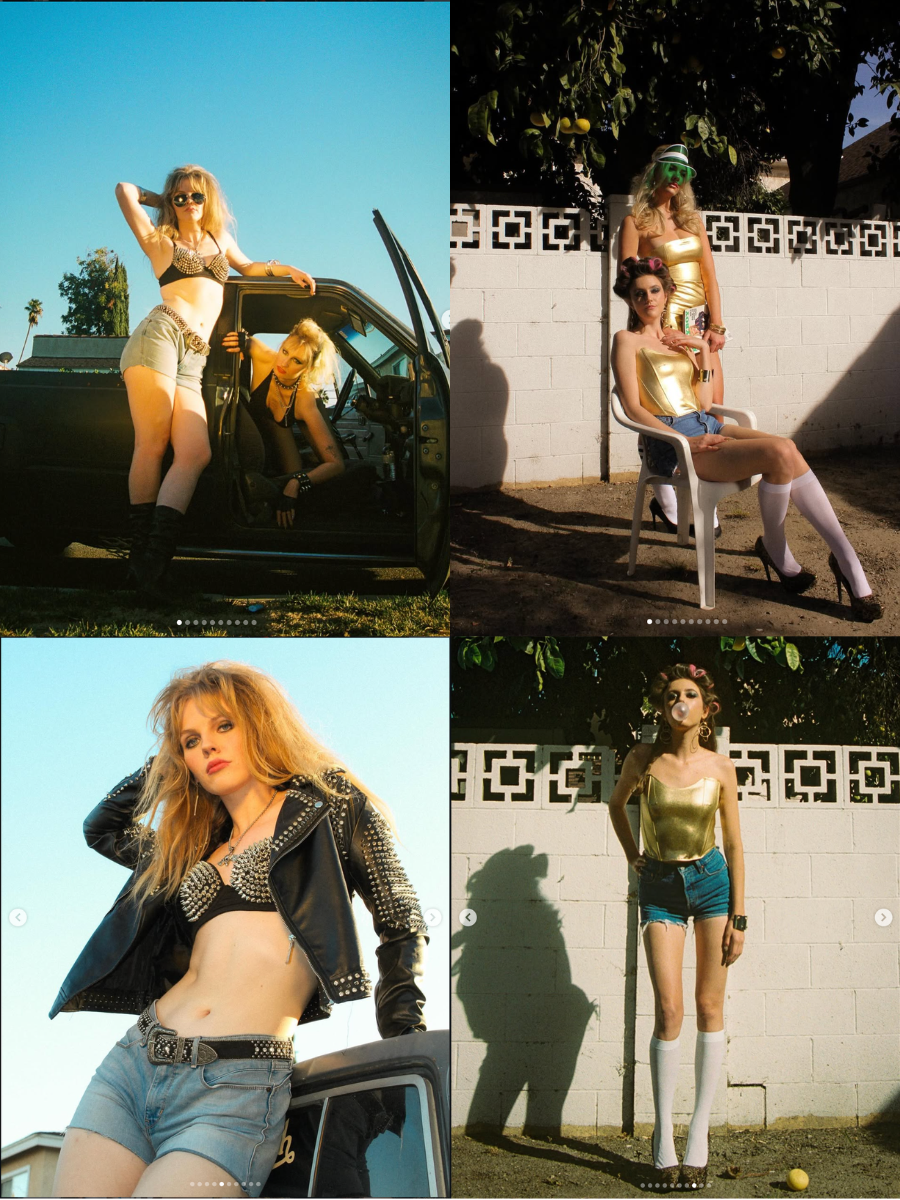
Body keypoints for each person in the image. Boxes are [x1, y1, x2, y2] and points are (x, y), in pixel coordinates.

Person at [50, 661, 428, 1199]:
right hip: (133, 1067)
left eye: (224, 725)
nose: (207, 747)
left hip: (238, 1085)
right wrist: (165, 758)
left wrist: (405, 1043)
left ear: (261, 723)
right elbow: (102, 828)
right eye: (191, 739)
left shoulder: (330, 806)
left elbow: (401, 920)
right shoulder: (191, 845)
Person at [611, 256, 882, 620]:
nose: (648, 299)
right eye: (639, 294)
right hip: (674, 444)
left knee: (787, 451)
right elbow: (632, 407)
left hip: (707, 423)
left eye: (655, 290)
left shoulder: (679, 339)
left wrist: (701, 348)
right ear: (630, 300)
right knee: (780, 451)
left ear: (667, 292)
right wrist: (685, 441)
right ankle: (806, 556)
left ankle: (822, 555)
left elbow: (705, 401)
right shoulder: (625, 341)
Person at [115, 165, 316, 593]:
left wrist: (287, 270)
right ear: (171, 200)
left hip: (195, 357)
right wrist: (161, 199)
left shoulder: (218, 240)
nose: (189, 203)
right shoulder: (158, 239)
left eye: (196, 196)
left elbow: (249, 267)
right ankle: (143, 567)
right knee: (152, 445)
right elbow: (124, 189)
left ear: (210, 199)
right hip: (162, 335)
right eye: (180, 197)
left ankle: (152, 561)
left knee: (194, 452)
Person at [608, 663, 744, 1189]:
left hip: (712, 883)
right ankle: (663, 1142)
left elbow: (733, 844)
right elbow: (617, 805)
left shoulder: (721, 767)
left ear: (706, 709)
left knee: (711, 1007)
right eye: (671, 695)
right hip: (660, 888)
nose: (679, 701)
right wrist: (633, 857)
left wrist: (740, 915)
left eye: (690, 694)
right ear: (661, 707)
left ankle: (698, 1139)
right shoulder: (643, 758)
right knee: (669, 1010)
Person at [619, 144, 726, 536]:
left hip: (698, 326)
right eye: (669, 170)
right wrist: (649, 332)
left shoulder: (694, 221)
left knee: (709, 410)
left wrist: (718, 326)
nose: (677, 179)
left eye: (684, 172)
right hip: (662, 325)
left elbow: (710, 277)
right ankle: (666, 499)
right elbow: (630, 282)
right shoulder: (635, 222)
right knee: (659, 407)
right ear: (654, 173)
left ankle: (702, 500)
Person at [222, 320, 344, 528]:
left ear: (308, 368)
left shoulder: (306, 398)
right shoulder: (265, 357)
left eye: (297, 361)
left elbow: (335, 464)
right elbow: (244, 339)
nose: (284, 363)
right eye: (285, 351)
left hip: (279, 433)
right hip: (252, 439)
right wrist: (239, 337)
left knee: (295, 493)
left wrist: (297, 482)